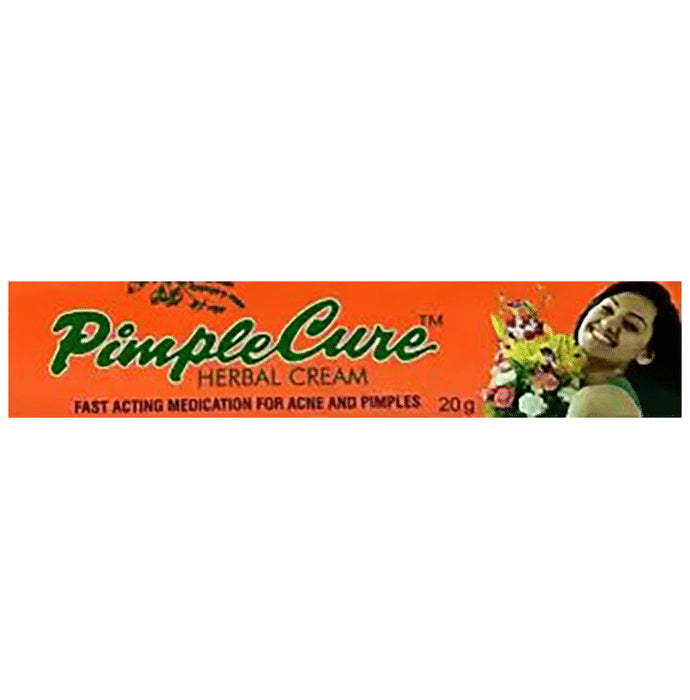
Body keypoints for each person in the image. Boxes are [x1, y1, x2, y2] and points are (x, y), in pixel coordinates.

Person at [568, 282, 681, 417]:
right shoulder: (556, 372)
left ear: (646, 354)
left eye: (630, 325)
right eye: (607, 309)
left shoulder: (602, 402)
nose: (607, 323)